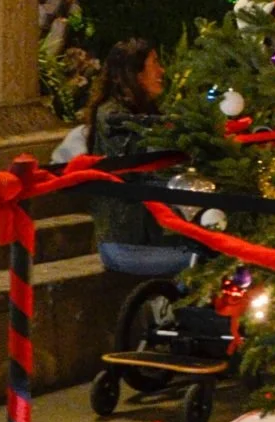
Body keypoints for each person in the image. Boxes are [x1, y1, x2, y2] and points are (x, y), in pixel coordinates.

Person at [84, 38, 200, 279]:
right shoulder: (113, 117)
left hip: (152, 239)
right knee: (202, 259)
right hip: (126, 246)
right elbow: (145, 172)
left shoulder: (142, 112)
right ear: (134, 73)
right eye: (155, 63)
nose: (161, 71)